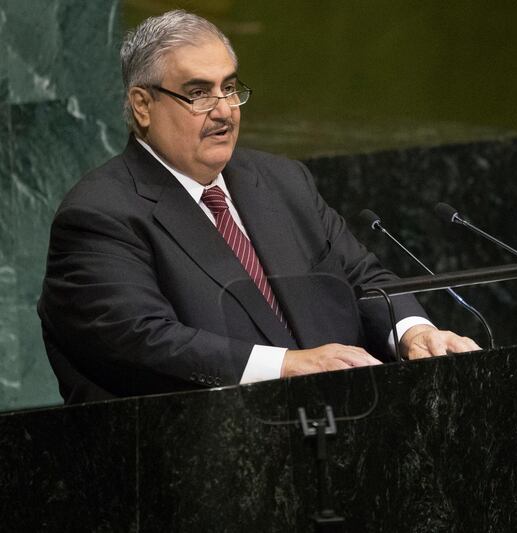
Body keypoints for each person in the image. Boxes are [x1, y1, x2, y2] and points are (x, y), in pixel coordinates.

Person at [38, 10, 479, 404]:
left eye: (229, 88)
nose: (225, 111)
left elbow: (362, 278)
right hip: (192, 463)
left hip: (341, 438)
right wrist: (286, 365)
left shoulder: (283, 182)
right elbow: (141, 341)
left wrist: (412, 331)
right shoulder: (100, 214)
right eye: (198, 93)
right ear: (142, 105)